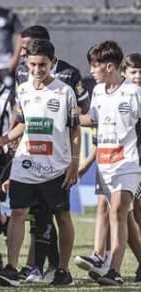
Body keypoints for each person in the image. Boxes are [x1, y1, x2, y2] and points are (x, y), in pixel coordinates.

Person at [0, 39, 79, 287]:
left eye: (43, 64)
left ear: (52, 62)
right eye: (33, 64)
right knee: (18, 212)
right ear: (27, 63)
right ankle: (11, 268)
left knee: (62, 217)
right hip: (26, 163)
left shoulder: (65, 91)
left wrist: (74, 162)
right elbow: (22, 123)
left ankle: (63, 271)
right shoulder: (22, 89)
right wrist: (3, 139)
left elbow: (74, 129)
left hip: (56, 166)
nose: (38, 70)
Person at [85, 41, 141, 286]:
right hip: (105, 163)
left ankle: (113, 271)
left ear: (109, 66)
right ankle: (109, 264)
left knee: (118, 210)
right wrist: (68, 115)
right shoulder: (98, 91)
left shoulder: (134, 92)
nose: (91, 71)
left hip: (129, 162)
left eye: (94, 66)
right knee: (116, 213)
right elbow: (91, 119)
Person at [14, 25, 90, 113]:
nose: (21, 53)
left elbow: (84, 106)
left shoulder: (69, 74)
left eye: (25, 48)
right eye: (33, 64)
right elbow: (18, 107)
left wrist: (63, 118)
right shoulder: (21, 71)